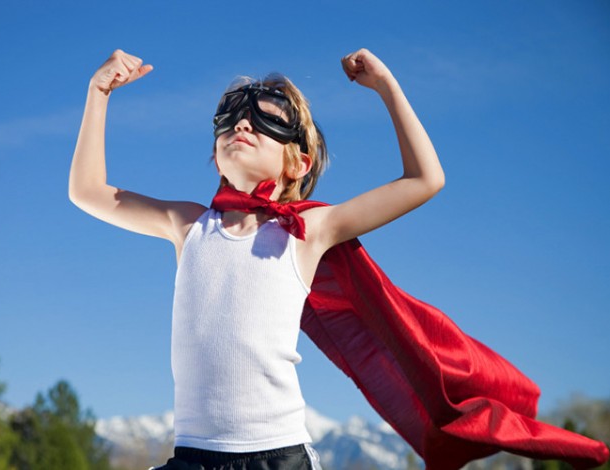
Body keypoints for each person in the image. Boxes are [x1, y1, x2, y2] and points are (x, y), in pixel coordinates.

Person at [69, 50, 609, 469]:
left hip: (278, 456)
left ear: (297, 164)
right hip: (191, 455)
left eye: (265, 120)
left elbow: (425, 179)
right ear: (215, 153)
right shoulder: (188, 225)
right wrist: (98, 93)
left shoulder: (308, 231)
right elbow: (87, 191)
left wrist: (387, 87)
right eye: (231, 118)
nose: (243, 125)